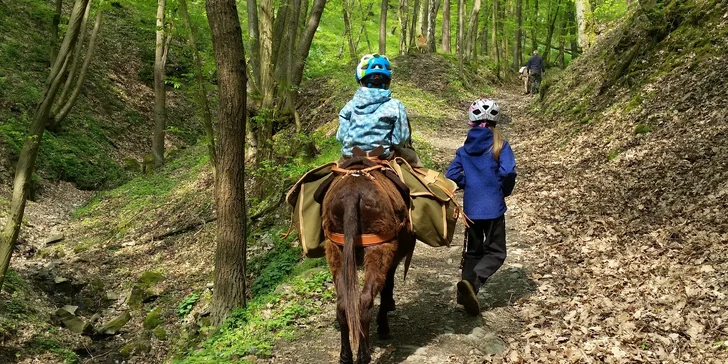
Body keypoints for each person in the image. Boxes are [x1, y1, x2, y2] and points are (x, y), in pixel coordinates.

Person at [445, 98, 517, 316]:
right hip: (494, 207)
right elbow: (508, 172)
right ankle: (473, 284)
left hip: (472, 209)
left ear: (472, 122)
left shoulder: (464, 149)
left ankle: (463, 296)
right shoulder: (500, 144)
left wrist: (470, 184)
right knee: (497, 252)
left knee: (473, 252)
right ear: (495, 121)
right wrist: (502, 189)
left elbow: (451, 176)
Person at [337, 54, 422, 167]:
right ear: (388, 81)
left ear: (360, 81)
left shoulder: (350, 106)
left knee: (327, 176)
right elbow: (399, 140)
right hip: (383, 156)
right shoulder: (395, 105)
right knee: (416, 167)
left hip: (351, 155)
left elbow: (341, 137)